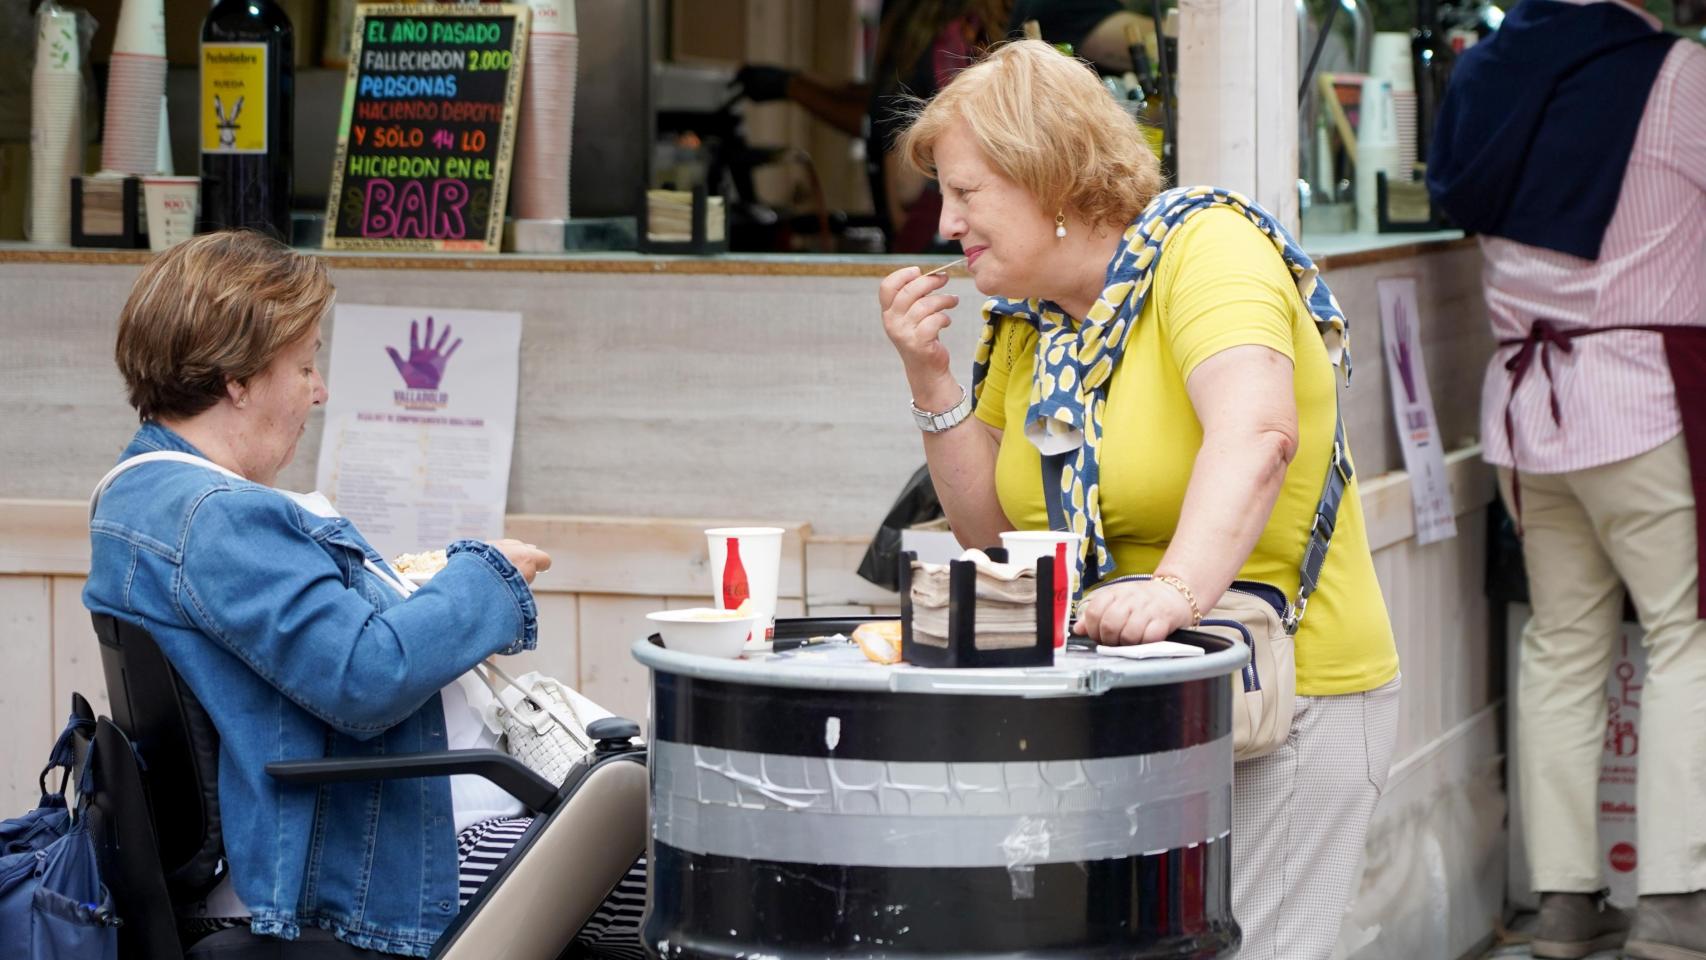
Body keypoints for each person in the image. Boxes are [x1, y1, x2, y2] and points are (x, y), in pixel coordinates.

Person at [877, 40, 1400, 959]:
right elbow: (996, 540)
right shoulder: (1029, 320)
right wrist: (929, 380)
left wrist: (1176, 590)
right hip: (1129, 701)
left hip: (1281, 692)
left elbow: (1259, 434)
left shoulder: (1210, 249)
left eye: (967, 193)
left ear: (1049, 174)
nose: (945, 222)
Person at [81, 231, 644, 959]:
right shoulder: (217, 517)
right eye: (306, 364)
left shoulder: (134, 494)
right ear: (237, 379)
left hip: (332, 838)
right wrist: (487, 570)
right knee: (689, 862)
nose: (320, 390)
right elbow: (366, 674)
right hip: (370, 865)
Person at [1426, 1, 1706, 957]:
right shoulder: (1678, 76)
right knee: (1688, 637)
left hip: (1524, 409)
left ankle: (1563, 906)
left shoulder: (1480, 73)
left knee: (1561, 644)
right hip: (1647, 404)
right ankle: (1675, 903)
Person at [731, 0, 1155, 252]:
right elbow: (885, 109)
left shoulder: (987, 20)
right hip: (949, 232)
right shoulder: (926, 20)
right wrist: (795, 85)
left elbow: (1141, 40)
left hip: (963, 235)